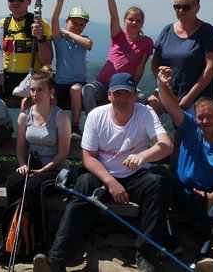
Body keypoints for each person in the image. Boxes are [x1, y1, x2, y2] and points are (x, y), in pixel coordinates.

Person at [34, 73, 173, 272]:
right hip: (103, 174)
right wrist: (111, 182)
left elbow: (166, 145)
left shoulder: (145, 113)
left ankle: (145, 253)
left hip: (136, 174)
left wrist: (143, 156)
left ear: (135, 95)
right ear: (109, 95)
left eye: (127, 93)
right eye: (118, 94)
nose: (122, 98)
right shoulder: (97, 115)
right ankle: (57, 259)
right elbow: (88, 157)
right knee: (83, 186)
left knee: (159, 183)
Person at [156, 66, 213, 267]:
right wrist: (162, 85)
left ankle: (201, 254)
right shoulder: (191, 126)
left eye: (209, 116)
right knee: (158, 176)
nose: (204, 121)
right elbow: (172, 106)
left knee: (209, 210)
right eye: (200, 117)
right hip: (179, 188)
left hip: (204, 194)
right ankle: (171, 242)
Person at [0, 71, 71, 263]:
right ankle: (10, 239)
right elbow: (20, 148)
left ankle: (40, 242)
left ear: (51, 92)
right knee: (13, 182)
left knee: (35, 187)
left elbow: (63, 154)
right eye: (32, 90)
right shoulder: (25, 116)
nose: (35, 94)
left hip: (57, 170)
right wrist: (22, 165)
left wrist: (44, 170)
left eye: (40, 90)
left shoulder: (60, 117)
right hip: (32, 167)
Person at [147, 0, 213, 115]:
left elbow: (211, 68)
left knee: (186, 132)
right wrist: (162, 83)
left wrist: (190, 97)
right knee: (146, 113)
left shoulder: (206, 31)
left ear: (197, 8)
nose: (181, 10)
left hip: (199, 95)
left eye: (186, 7)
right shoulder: (167, 30)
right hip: (168, 90)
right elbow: (155, 63)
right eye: (177, 7)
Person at [82, 0, 153, 114]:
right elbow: (114, 16)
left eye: (138, 20)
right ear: (124, 21)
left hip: (125, 84)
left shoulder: (147, 42)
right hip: (103, 82)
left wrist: (133, 86)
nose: (134, 22)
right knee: (88, 90)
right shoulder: (118, 36)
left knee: (142, 98)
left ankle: (126, 126)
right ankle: (94, 125)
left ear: (142, 23)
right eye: (131, 19)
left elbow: (140, 67)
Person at [49, 0, 92, 137]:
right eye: (74, 23)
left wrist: (68, 32)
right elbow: (54, 19)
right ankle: (50, 125)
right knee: (51, 98)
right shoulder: (59, 39)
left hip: (78, 82)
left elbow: (88, 44)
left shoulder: (83, 39)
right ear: (67, 20)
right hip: (60, 82)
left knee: (75, 90)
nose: (78, 27)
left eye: (82, 24)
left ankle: (75, 126)